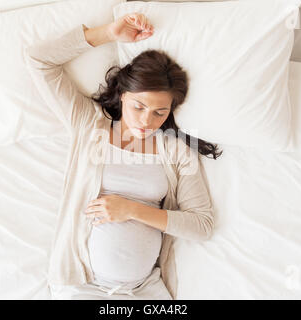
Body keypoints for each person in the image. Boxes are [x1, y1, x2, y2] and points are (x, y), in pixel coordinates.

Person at [24, 12, 222, 300]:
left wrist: (131, 210)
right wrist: (107, 34)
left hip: (146, 291)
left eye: (159, 112)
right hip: (83, 285)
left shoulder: (176, 151)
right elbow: (38, 60)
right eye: (139, 106)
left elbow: (202, 226)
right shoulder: (89, 125)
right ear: (122, 95)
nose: (146, 121)